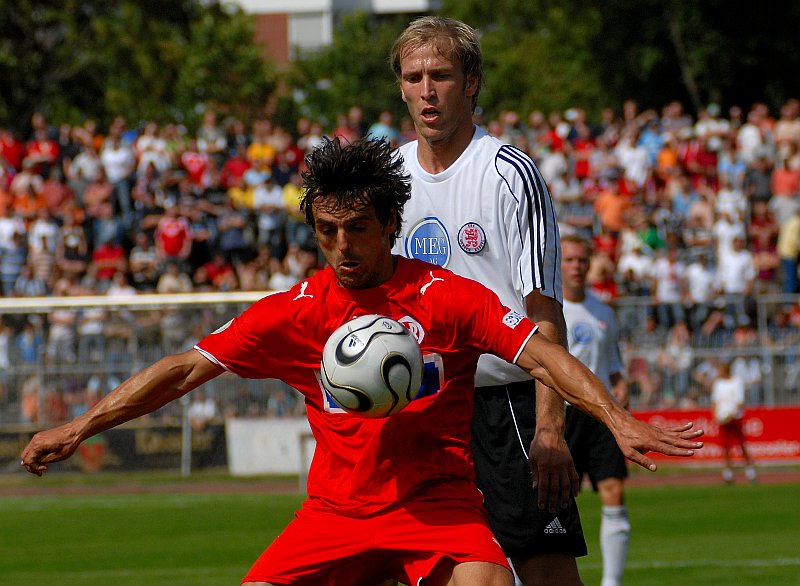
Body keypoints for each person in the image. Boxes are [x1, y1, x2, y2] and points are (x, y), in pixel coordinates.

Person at [21, 137, 703, 586]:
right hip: (334, 514)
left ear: (389, 227)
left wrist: (616, 418)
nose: (342, 245)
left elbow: (543, 355)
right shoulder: (294, 310)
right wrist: (79, 426)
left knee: (492, 582)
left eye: (358, 228)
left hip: (436, 505)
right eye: (326, 231)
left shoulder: (448, 298)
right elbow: (182, 369)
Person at [390, 16, 585, 583]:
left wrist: (550, 430)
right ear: (401, 86)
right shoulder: (389, 179)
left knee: (545, 569)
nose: (427, 90)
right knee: (421, 570)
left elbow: (544, 313)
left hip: (510, 404)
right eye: (414, 76)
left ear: (471, 82)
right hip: (423, 408)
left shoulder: (509, 173)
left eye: (442, 75)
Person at [560, 234, 630, 586]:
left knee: (613, 490)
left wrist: (621, 384)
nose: (576, 266)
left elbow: (614, 365)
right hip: (564, 412)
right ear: (559, 264)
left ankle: (612, 582)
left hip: (601, 413)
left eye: (581, 260)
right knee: (553, 501)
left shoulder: (604, 310)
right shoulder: (548, 308)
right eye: (569, 260)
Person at [711, 359, 757, 484]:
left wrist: (731, 415)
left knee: (741, 444)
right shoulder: (718, 384)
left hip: (735, 418)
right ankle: (728, 474)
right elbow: (715, 402)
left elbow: (739, 402)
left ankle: (750, 472)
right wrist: (715, 416)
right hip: (722, 418)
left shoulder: (736, 382)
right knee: (725, 446)